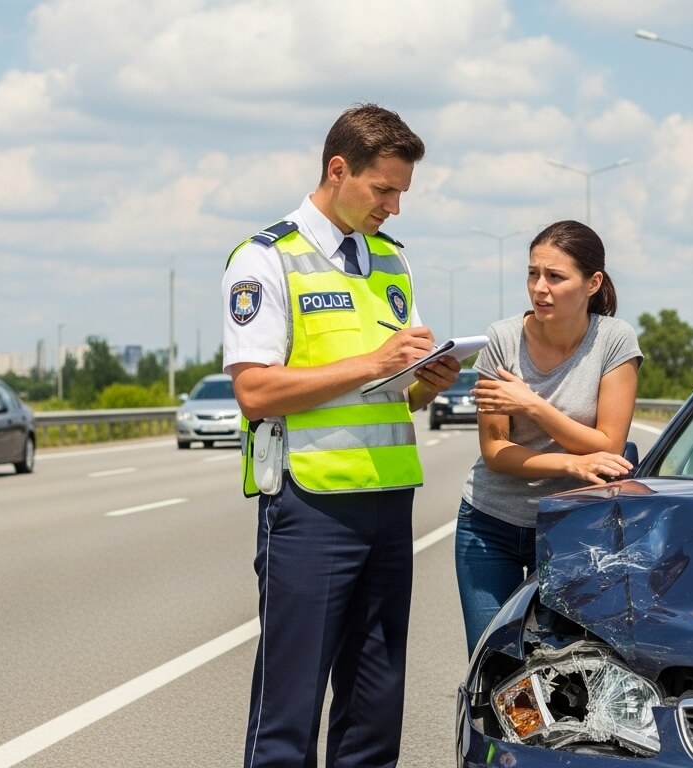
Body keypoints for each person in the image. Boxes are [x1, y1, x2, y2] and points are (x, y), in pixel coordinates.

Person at [221, 103, 460, 768]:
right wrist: (376, 363)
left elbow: (389, 395)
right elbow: (255, 392)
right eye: (383, 190)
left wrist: (424, 382)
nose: (394, 207)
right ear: (337, 170)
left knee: (374, 710)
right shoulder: (266, 260)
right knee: (288, 713)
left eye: (401, 193)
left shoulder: (390, 263)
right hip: (311, 506)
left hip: (387, 504)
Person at [455, 219, 642, 655]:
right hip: (488, 524)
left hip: (572, 527)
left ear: (592, 283)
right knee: (494, 661)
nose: (540, 288)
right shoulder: (501, 340)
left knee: (569, 664)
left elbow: (609, 444)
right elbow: (497, 451)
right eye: (533, 274)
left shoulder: (614, 340)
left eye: (555, 277)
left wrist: (533, 405)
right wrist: (571, 462)